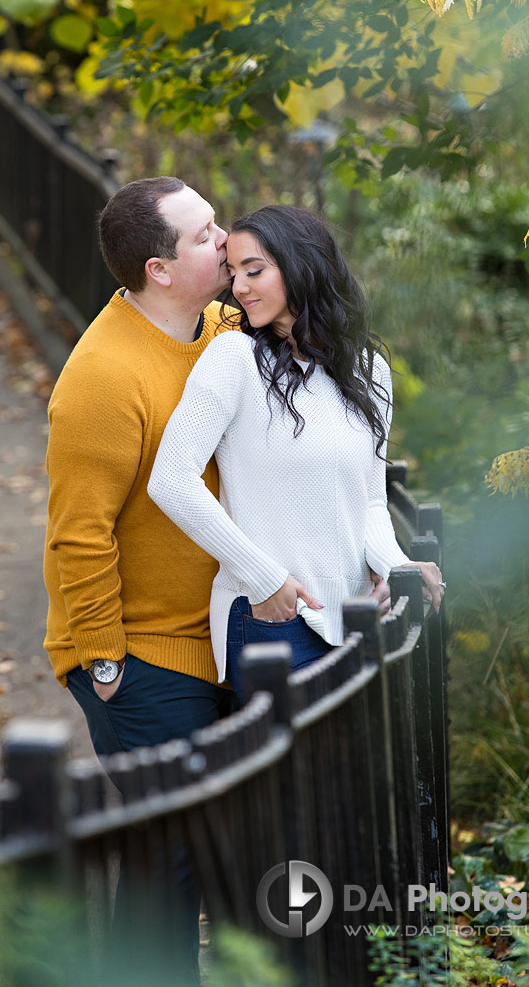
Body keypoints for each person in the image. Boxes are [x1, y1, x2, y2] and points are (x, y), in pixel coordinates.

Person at [43, 175, 253, 987]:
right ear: (159, 270)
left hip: (228, 629)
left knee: (220, 847)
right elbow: (78, 535)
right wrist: (105, 665)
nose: (225, 238)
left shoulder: (226, 325)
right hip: (142, 654)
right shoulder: (100, 379)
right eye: (204, 235)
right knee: (168, 860)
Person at [147, 205, 444, 700]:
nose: (239, 287)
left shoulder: (368, 371)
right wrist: (265, 579)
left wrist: (395, 565)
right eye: (233, 272)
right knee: (297, 778)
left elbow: (370, 500)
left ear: (301, 266)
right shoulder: (234, 359)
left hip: (355, 619)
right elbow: (171, 480)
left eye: (254, 270)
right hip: (272, 621)